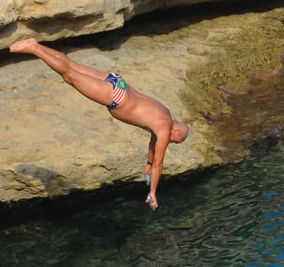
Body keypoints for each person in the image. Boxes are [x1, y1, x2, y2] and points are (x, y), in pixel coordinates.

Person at [10, 38, 189, 210]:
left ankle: (38, 44)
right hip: (117, 97)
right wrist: (153, 192)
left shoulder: (164, 113)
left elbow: (153, 144)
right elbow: (160, 164)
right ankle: (34, 48)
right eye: (175, 141)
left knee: (73, 66)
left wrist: (148, 163)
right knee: (69, 75)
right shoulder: (165, 131)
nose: (170, 142)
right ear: (176, 131)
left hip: (118, 82)